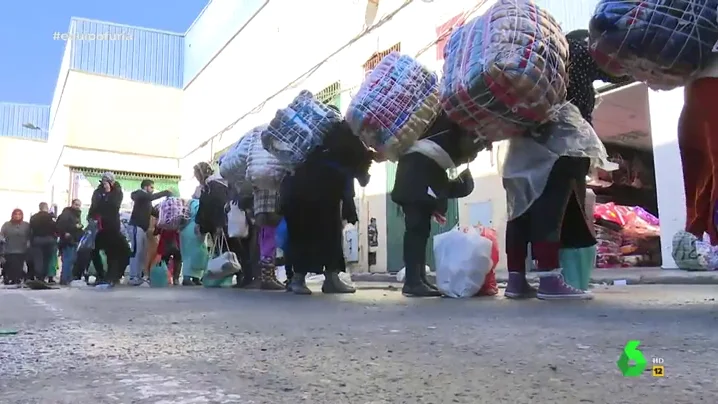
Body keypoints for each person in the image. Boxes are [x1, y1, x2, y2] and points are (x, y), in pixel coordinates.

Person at [391, 112, 483, 297]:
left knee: (421, 230)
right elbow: (458, 149)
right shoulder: (448, 120)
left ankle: (419, 278)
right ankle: (412, 281)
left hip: (416, 178)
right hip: (415, 179)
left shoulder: (435, 125)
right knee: (416, 230)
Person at [282, 117, 374, 295]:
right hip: (324, 192)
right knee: (330, 235)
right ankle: (331, 280)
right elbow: (362, 175)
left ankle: (298, 280)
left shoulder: (312, 138)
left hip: (297, 191)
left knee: (301, 235)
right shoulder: (350, 137)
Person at [87, 172, 129, 286]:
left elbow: (114, 206)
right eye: (103, 181)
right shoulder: (97, 192)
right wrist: (90, 218)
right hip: (98, 226)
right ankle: (100, 274)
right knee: (93, 250)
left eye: (107, 181)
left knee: (113, 252)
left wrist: (108, 194)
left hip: (112, 226)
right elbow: (94, 206)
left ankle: (111, 276)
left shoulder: (117, 192)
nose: (105, 184)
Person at [127, 179, 172, 286]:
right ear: (146, 187)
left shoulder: (147, 201)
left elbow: (154, 212)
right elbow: (149, 197)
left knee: (141, 252)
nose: (152, 190)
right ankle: (133, 276)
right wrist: (165, 192)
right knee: (136, 251)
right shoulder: (140, 194)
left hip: (142, 229)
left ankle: (137, 276)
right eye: (151, 187)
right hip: (136, 226)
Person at [27, 202, 58, 289]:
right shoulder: (51, 217)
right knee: (47, 259)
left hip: (37, 239)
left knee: (38, 259)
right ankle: (44, 276)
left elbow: (31, 229)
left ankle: (39, 276)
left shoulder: (33, 217)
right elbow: (56, 228)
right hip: (49, 239)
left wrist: (31, 240)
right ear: (46, 207)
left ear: (39, 207)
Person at [179, 199, 208, 284]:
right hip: (195, 229)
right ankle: (189, 278)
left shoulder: (188, 203)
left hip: (185, 230)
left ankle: (193, 277)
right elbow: (201, 216)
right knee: (197, 254)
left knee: (188, 254)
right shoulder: (198, 203)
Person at [56, 199, 84, 285]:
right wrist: (65, 232)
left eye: (79, 205)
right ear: (72, 204)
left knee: (70, 260)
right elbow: (60, 225)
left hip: (73, 239)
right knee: (68, 260)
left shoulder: (75, 214)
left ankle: (67, 278)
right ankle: (65, 279)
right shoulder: (67, 213)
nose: (77, 207)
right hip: (68, 240)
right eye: (76, 204)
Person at [0, 209, 30, 285]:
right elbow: (1, 234)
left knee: (19, 266)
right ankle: (10, 278)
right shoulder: (7, 225)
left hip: (22, 249)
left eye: (19, 214)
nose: (17, 216)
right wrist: (2, 240)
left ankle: (17, 278)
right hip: (9, 249)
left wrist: (28, 243)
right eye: (15, 214)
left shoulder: (26, 225)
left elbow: (30, 235)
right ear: (12, 215)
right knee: (10, 265)